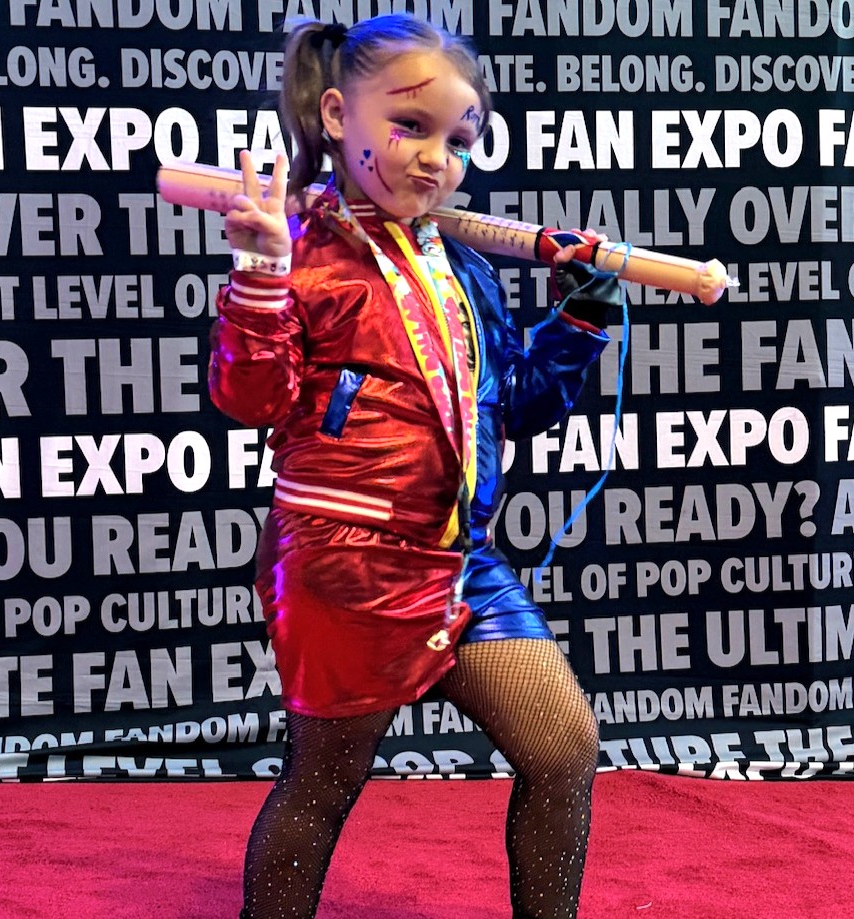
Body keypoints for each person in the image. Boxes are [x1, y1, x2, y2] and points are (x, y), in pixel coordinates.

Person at [209, 13, 622, 919]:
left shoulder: (461, 262)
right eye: (409, 127)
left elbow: (515, 407)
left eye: (457, 139)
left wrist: (578, 323)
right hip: (343, 556)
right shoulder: (298, 251)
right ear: (333, 116)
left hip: (460, 558)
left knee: (562, 750)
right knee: (324, 783)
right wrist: (258, 281)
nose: (436, 159)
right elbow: (250, 402)